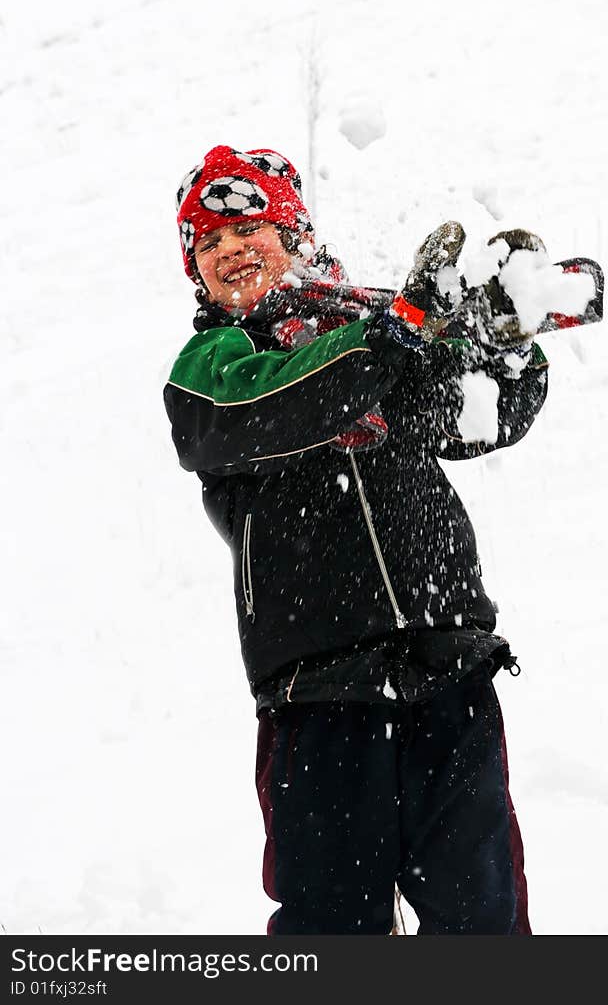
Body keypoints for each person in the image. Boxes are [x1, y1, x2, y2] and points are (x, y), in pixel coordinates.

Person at [164, 144, 550, 935]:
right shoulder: (212, 366)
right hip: (319, 694)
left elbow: (474, 413)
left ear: (296, 235)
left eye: (250, 228)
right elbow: (274, 404)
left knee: (484, 913)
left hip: (447, 667)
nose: (231, 248)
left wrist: (506, 346)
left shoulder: (379, 324)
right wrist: (390, 336)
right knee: (333, 927)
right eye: (209, 242)